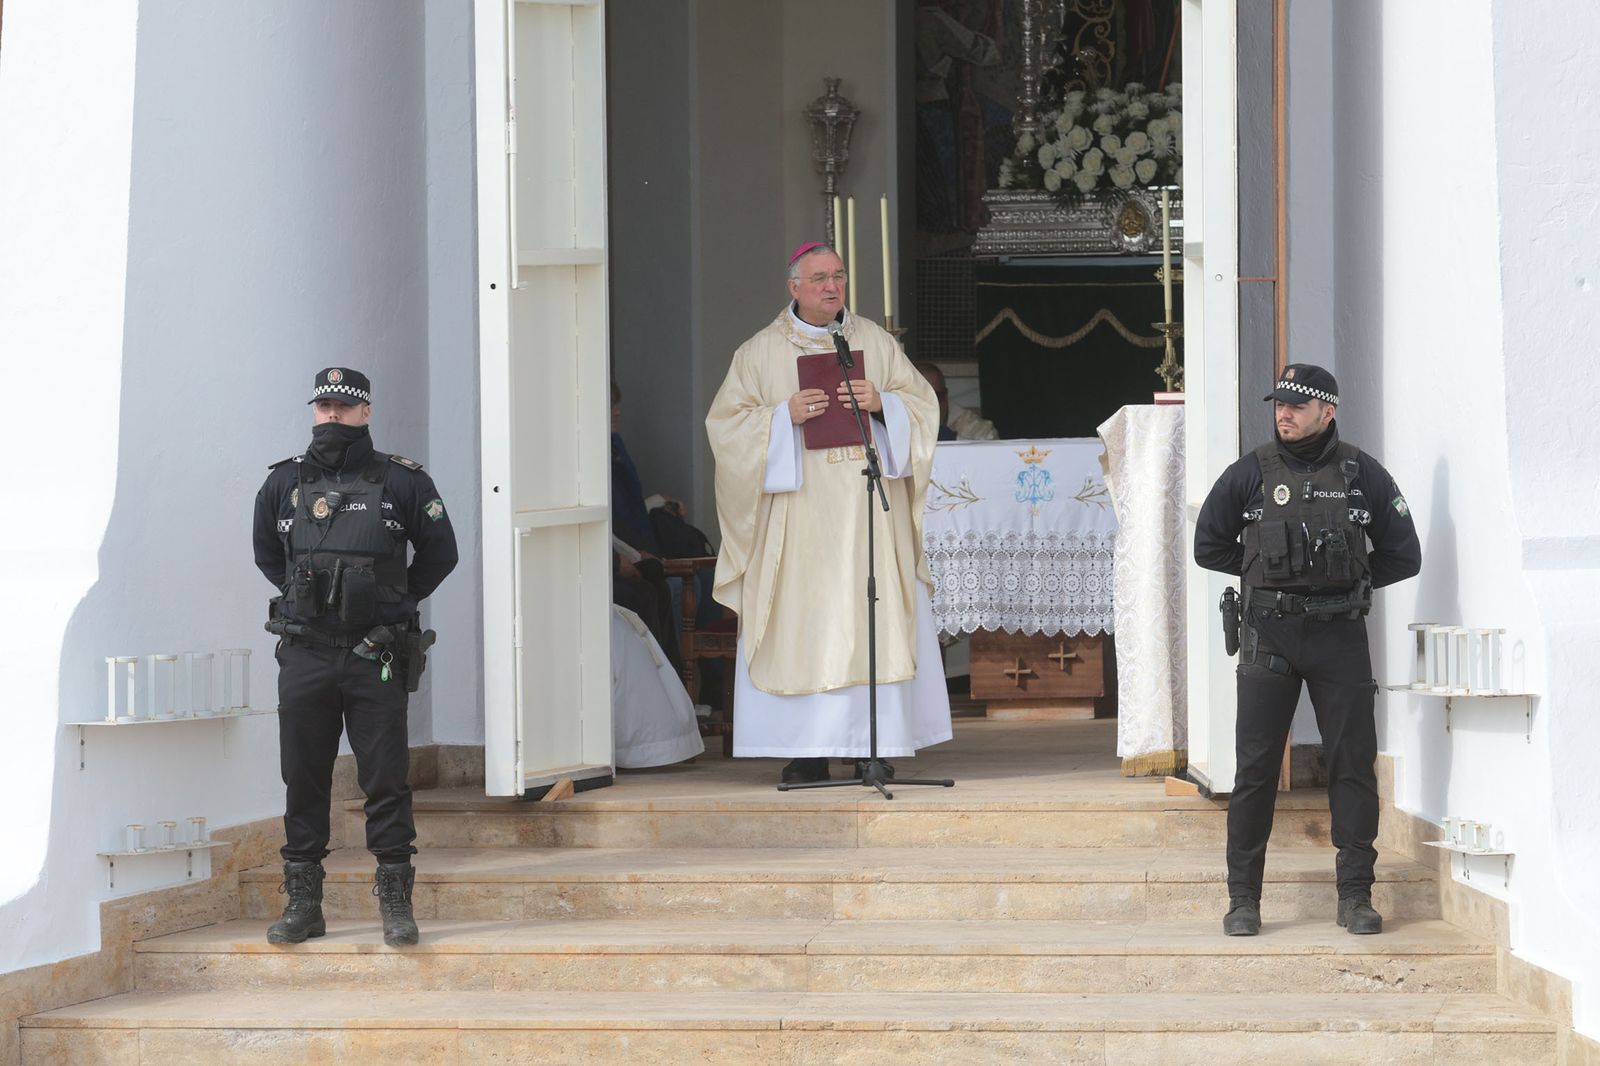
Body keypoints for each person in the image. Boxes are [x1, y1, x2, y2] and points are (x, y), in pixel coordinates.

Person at [706, 242, 953, 785]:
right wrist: (781, 417)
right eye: (819, 278)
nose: (831, 286)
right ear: (793, 287)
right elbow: (725, 430)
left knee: (872, 616)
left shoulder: (874, 342)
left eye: (838, 276)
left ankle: (874, 744)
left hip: (868, 514)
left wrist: (882, 403)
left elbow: (923, 407)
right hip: (799, 519)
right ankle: (808, 750)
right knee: (807, 624)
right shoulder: (759, 353)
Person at [1193, 364, 1420, 937]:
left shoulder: (1362, 474)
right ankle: (1243, 900)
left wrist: (1345, 581)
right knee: (1255, 772)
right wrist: (1268, 578)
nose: (1284, 413)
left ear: (1328, 412)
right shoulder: (1250, 474)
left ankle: (1355, 897)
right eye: (1279, 404)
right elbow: (1208, 544)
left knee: (1351, 767)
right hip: (1268, 638)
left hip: (1339, 637)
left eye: (1297, 405)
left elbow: (1404, 554)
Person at [252, 368, 458, 947]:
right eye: (324, 407)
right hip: (306, 652)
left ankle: (395, 903)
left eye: (344, 408)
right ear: (314, 411)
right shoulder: (283, 482)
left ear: (366, 412)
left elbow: (442, 554)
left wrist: (396, 600)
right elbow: (269, 553)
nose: (333, 417)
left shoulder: (403, 481)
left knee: (386, 780)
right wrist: (307, 597)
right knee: (303, 777)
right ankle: (303, 905)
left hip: (376, 654)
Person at [915, 360, 998, 441]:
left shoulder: (976, 429)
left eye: (937, 397)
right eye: (921, 399)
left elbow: (992, 449)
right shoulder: (903, 425)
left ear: (945, 396)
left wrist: (954, 440)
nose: (930, 405)